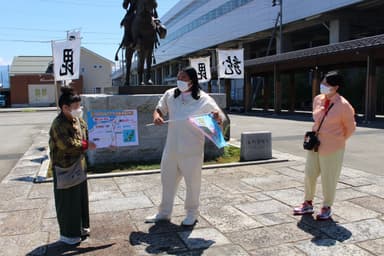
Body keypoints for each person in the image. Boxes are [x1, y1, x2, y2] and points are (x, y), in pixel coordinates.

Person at [145, 66, 224, 226]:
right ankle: (164, 212)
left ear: (192, 81)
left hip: (192, 149)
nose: (179, 81)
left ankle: (192, 213)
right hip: (172, 147)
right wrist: (157, 117)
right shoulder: (170, 94)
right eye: (178, 77)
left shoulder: (203, 99)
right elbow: (159, 109)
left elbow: (219, 118)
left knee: (192, 183)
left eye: (184, 78)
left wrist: (217, 117)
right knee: (167, 180)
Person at [293, 71, 356, 220]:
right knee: (309, 174)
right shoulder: (318, 99)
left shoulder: (343, 105)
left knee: (329, 177)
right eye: (323, 83)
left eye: (327, 84)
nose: (323, 86)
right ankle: (307, 203)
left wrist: (338, 139)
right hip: (315, 144)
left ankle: (327, 206)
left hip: (333, 147)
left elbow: (350, 127)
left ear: (336, 87)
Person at [49, 87, 96, 244]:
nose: (79, 110)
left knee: (80, 200)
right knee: (68, 202)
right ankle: (69, 235)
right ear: (65, 108)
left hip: (79, 166)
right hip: (65, 167)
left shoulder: (79, 120)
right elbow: (67, 144)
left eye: (79, 106)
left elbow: (89, 136)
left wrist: (106, 140)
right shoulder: (58, 124)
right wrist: (86, 144)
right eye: (75, 107)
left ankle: (82, 227)